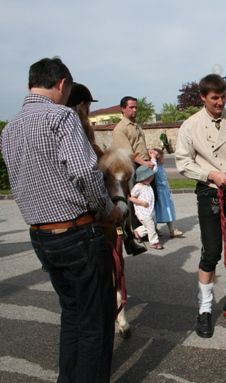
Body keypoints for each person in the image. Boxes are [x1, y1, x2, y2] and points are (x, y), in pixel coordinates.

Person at [0, 57, 123, 382]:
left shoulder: (10, 129)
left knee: (72, 315)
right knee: (96, 321)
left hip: (41, 236)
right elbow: (85, 172)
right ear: (61, 85)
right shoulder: (62, 117)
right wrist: (106, 209)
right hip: (77, 232)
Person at [175, 74, 226, 338]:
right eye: (214, 98)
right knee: (210, 253)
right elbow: (183, 162)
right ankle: (205, 310)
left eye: (223, 97)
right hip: (209, 193)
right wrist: (210, 175)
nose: (220, 102)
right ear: (203, 97)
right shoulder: (190, 126)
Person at [111, 96, 150, 255]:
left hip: (143, 165)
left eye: (135, 107)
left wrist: (150, 158)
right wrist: (144, 163)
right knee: (132, 199)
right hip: (130, 166)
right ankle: (135, 233)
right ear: (122, 109)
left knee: (145, 198)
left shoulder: (136, 126)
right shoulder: (120, 128)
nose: (134, 110)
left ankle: (146, 229)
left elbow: (140, 147)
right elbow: (129, 153)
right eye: (131, 107)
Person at [150, 148, 183, 237]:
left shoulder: (161, 166)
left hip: (165, 193)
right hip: (159, 193)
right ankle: (155, 230)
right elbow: (154, 170)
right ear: (158, 158)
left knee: (168, 210)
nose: (164, 159)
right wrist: (153, 157)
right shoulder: (155, 166)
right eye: (162, 157)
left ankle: (171, 230)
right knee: (156, 212)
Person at [130, 165, 163, 250]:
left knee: (151, 226)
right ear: (141, 178)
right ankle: (154, 242)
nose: (149, 179)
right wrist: (141, 202)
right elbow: (131, 197)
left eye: (150, 177)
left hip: (151, 211)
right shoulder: (138, 186)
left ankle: (138, 232)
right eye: (146, 178)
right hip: (143, 212)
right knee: (151, 226)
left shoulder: (148, 185)